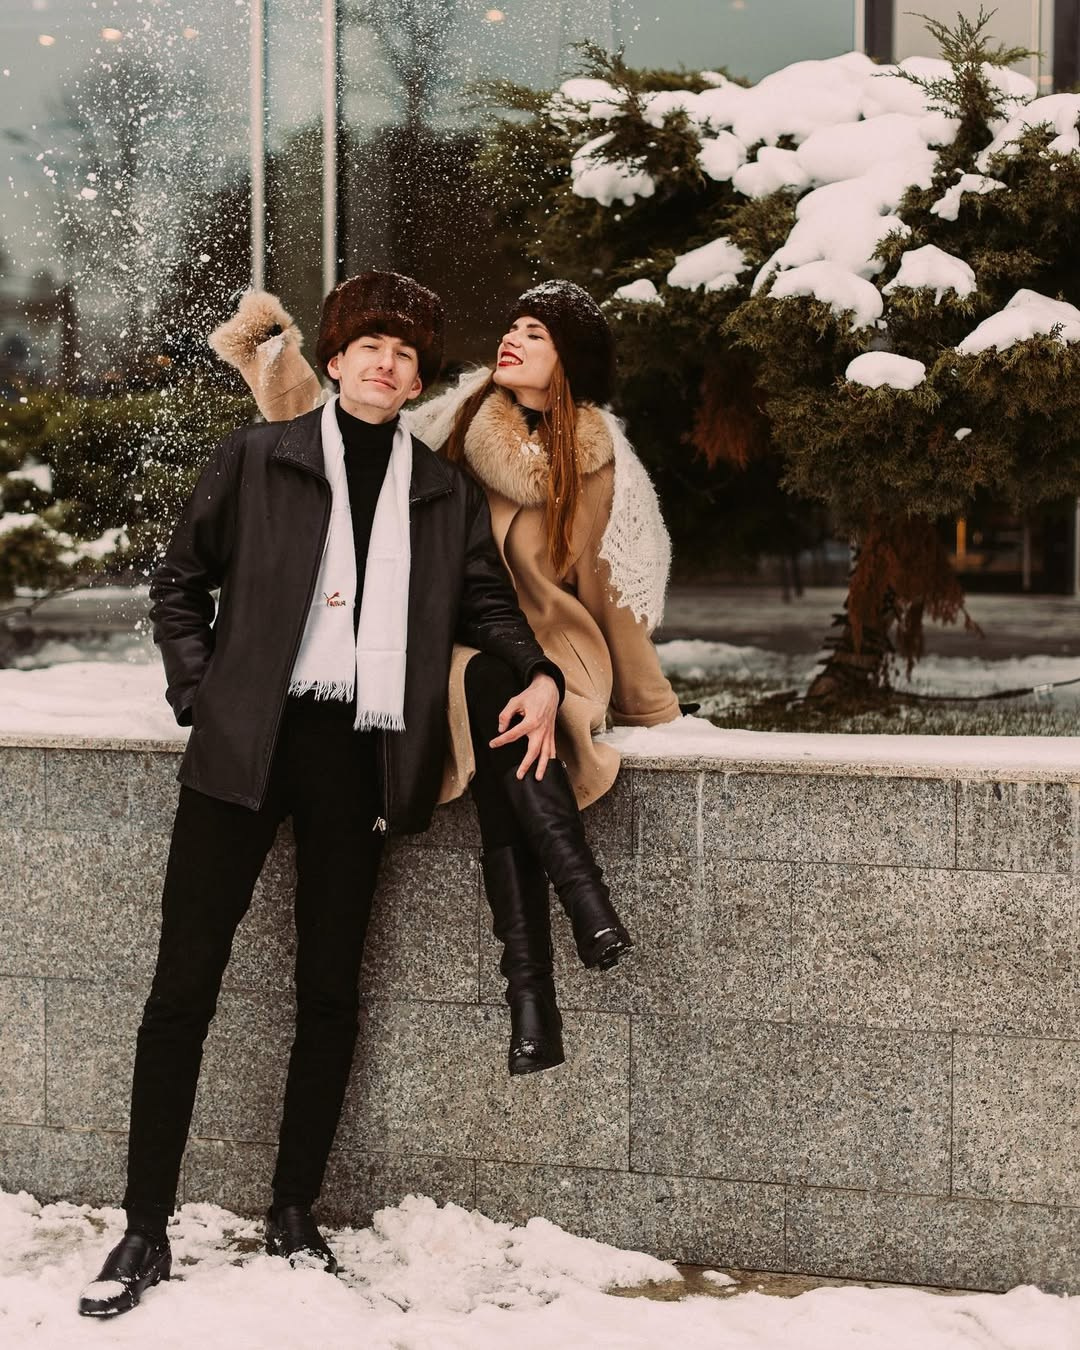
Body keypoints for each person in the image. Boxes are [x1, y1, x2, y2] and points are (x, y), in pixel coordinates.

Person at [77, 270, 567, 1318]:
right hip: (246, 746)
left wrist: (539, 674)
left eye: (406, 351)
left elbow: (485, 603)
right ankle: (145, 1226)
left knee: (330, 991)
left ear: (418, 377)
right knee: (183, 987)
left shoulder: (441, 491)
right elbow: (179, 582)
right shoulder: (260, 457)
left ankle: (293, 1210)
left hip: (363, 751)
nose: (387, 363)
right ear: (335, 359)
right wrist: (202, 693)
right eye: (369, 345)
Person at [209, 279, 679, 1080]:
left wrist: (650, 707)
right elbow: (339, 430)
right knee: (490, 691)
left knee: (505, 708)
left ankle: (533, 992)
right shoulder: (453, 424)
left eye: (535, 333)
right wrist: (273, 351)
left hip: (552, 661)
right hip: (448, 645)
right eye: (512, 324)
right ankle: (579, 909)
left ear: (569, 361)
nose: (512, 339)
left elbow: (615, 600)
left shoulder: (598, 465)